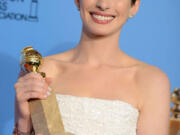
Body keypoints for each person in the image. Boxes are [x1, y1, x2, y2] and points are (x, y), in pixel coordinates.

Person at [13, 0, 171, 135]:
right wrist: (23, 121)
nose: (103, 4)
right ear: (77, 0)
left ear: (134, 5)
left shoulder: (151, 81)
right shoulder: (42, 69)